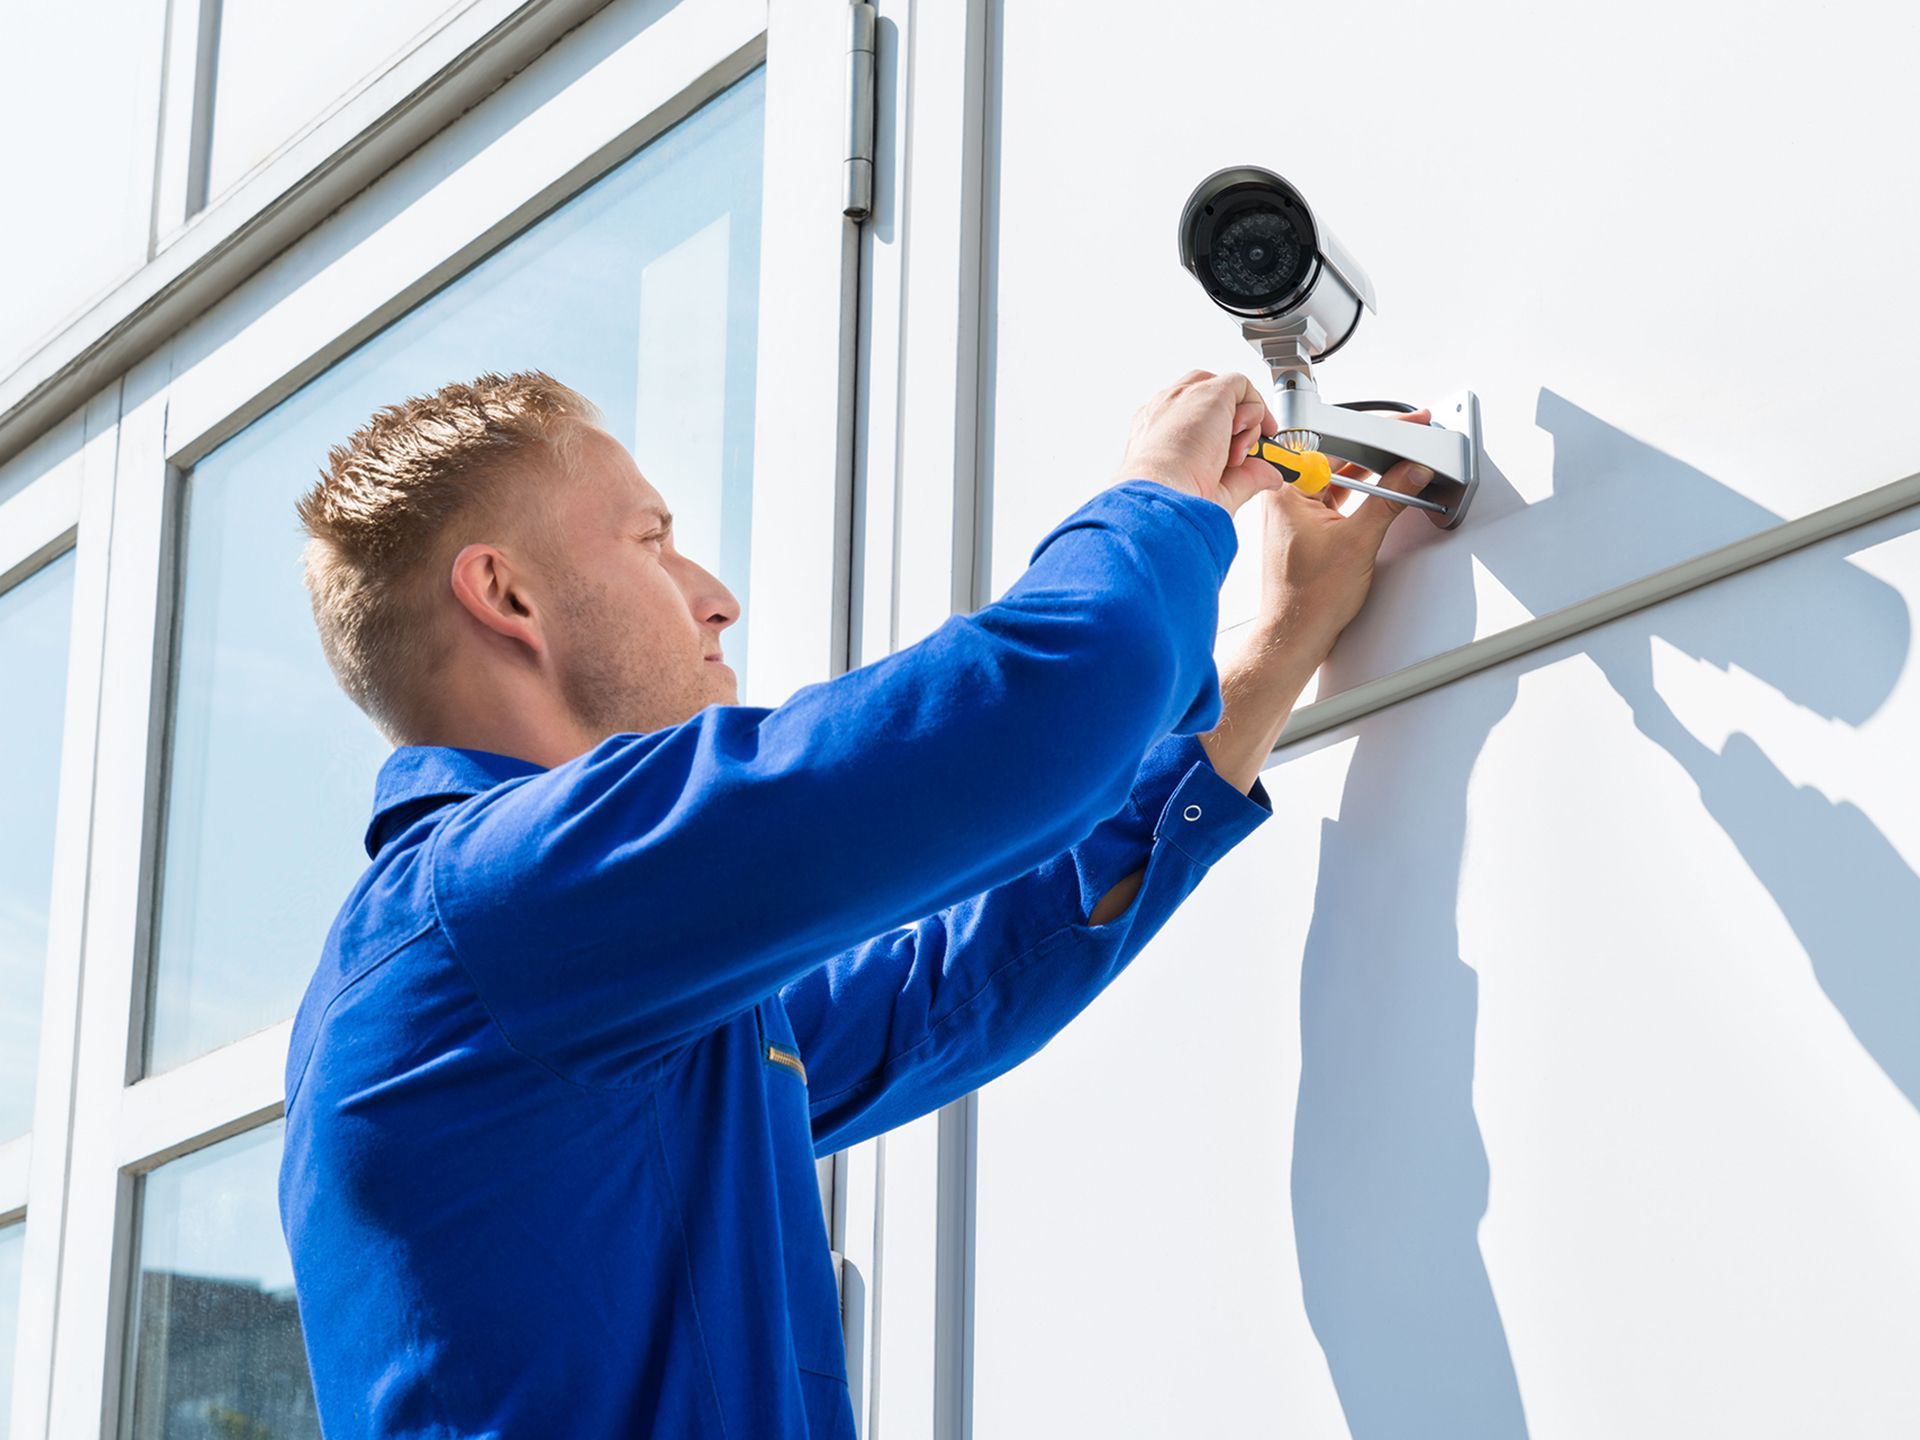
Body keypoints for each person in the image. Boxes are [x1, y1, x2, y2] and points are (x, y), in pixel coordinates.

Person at [277, 366, 1432, 1437]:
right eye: (653, 540)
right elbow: (1039, 705)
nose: (715, 597)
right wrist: (1168, 488)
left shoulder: (574, 982)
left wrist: (1277, 643)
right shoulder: (502, 909)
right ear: (506, 594)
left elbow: (961, 981)